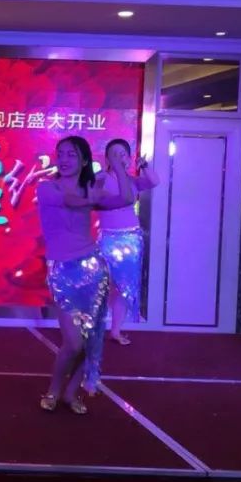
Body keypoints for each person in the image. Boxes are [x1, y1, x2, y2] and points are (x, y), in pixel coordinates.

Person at [36, 137, 133, 414]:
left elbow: (127, 198)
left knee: (91, 340)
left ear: (84, 160)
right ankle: (54, 389)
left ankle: (71, 392)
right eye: (61, 154)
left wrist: (117, 165)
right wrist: (93, 196)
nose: (64, 159)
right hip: (62, 270)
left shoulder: (90, 189)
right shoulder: (47, 188)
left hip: (93, 269)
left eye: (72, 155)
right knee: (73, 342)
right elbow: (72, 202)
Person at [97, 139, 160, 345]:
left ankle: (115, 331)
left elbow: (154, 181)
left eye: (123, 153)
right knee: (103, 285)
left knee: (124, 287)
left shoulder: (132, 181)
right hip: (108, 238)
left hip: (131, 239)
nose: (119, 157)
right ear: (107, 158)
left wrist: (144, 165)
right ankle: (94, 328)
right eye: (114, 154)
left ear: (129, 157)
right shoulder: (101, 178)